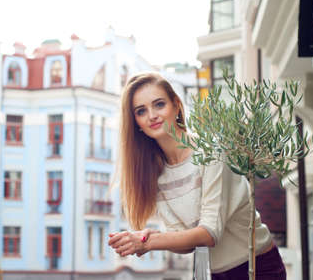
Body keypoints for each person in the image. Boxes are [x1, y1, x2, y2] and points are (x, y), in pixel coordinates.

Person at [108, 72, 286, 279]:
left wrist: (148, 243)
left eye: (159, 104)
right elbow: (187, 245)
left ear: (176, 105)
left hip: (258, 268)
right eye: (141, 111)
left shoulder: (211, 151)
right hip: (218, 273)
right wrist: (151, 237)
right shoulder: (155, 173)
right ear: (136, 122)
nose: (152, 115)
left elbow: (209, 234)